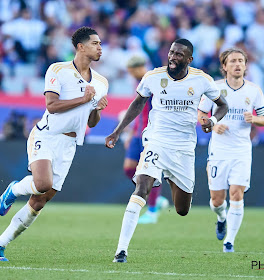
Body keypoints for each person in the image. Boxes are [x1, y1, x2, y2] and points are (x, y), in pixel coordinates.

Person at [0, 26, 108, 261]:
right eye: (95, 43)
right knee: (42, 183)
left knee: (39, 201)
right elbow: (51, 106)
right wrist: (83, 98)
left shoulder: (102, 82)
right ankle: (13, 189)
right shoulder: (58, 70)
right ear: (81, 47)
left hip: (70, 145)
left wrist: (97, 109)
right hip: (47, 135)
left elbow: (91, 122)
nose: (100, 48)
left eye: (100, 43)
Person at [105, 38, 229, 263]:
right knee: (141, 187)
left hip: (183, 149)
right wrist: (117, 130)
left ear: (189, 59)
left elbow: (223, 105)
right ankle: (121, 251)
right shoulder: (153, 77)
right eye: (171, 52)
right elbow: (138, 103)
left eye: (179, 54)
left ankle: (171, 180)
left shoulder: (202, 80)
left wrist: (212, 120)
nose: (173, 57)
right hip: (156, 141)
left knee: (182, 209)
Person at [197, 47, 264, 253]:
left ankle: (230, 241)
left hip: (242, 151)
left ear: (245, 66)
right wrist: (212, 124)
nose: (237, 64)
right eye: (233, 61)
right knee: (217, 200)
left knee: (237, 194)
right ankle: (221, 218)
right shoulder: (214, 89)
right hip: (219, 151)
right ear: (224, 66)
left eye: (241, 61)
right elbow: (200, 114)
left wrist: (254, 119)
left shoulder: (254, 91)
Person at [123, 56, 169, 224]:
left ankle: (152, 211)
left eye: (131, 71)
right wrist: (131, 133)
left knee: (150, 171)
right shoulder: (138, 83)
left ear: (139, 67)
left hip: (151, 134)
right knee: (129, 169)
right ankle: (156, 199)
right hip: (137, 133)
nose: (130, 74)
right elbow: (138, 110)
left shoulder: (153, 82)